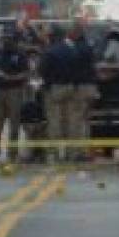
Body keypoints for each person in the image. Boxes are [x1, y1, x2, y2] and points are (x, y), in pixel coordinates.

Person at [0, 32, 30, 162]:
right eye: (5, 39)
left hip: (14, 90)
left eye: (9, 39)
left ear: (14, 41)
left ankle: (13, 153)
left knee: (14, 123)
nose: (6, 42)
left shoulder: (20, 55)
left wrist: (10, 77)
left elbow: (26, 74)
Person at [40, 25, 78, 163]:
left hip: (54, 88)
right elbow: (77, 69)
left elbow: (42, 71)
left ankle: (53, 154)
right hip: (70, 88)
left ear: (53, 36)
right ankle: (71, 153)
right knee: (70, 121)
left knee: (54, 121)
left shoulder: (49, 52)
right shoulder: (72, 50)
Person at [69, 19, 99, 161]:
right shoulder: (89, 47)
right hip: (91, 86)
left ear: (75, 32)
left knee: (76, 120)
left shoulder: (74, 49)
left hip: (79, 87)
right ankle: (87, 151)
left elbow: (72, 69)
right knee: (87, 120)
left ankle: (77, 152)